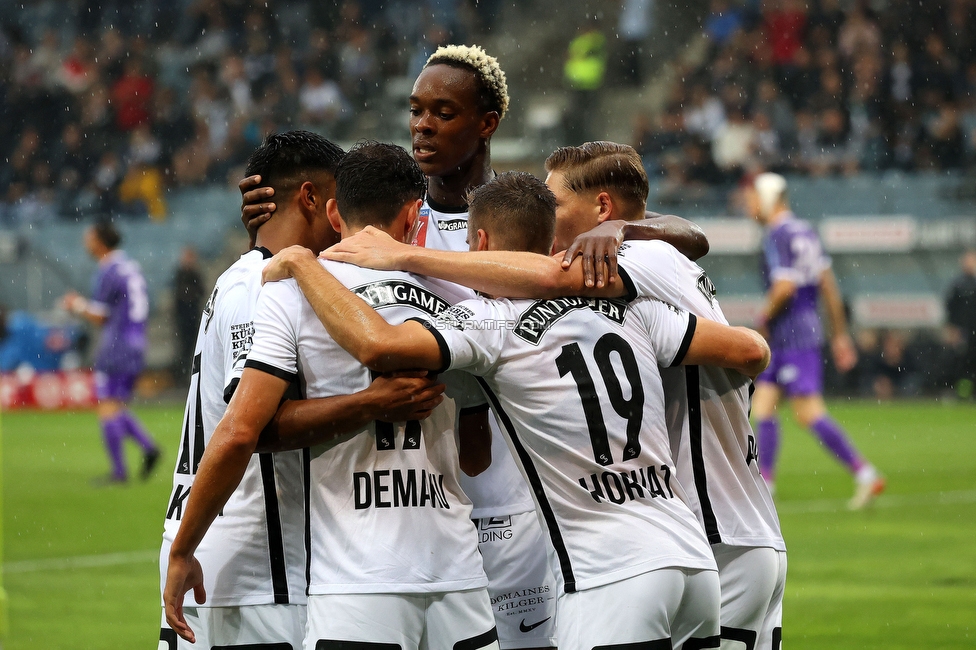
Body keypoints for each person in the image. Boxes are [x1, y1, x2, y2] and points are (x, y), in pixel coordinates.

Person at [239, 45, 707, 650]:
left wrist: (619, 227)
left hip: (523, 497)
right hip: (425, 502)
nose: (423, 125)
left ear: (487, 123)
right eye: (415, 111)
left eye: (443, 112)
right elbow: (304, 261)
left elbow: (685, 236)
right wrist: (266, 225)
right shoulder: (395, 219)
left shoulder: (527, 208)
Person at [265, 171, 772, 650]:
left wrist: (304, 263)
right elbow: (750, 351)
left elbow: (380, 345)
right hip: (693, 565)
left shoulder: (492, 321)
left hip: (608, 576)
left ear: (480, 246)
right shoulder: (631, 307)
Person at [164, 142, 497, 650]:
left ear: (338, 210)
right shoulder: (456, 296)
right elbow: (477, 453)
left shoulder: (278, 282)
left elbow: (241, 431)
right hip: (258, 565)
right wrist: (374, 402)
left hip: (306, 570)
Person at [744, 172, 885, 510]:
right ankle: (766, 485)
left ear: (767, 199)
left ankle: (865, 473)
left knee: (807, 412)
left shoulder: (776, 234)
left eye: (752, 198)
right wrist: (839, 335)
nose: (749, 205)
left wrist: (761, 321)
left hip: (791, 332)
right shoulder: (805, 230)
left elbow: (785, 288)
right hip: (799, 330)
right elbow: (828, 286)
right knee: (763, 404)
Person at [61, 221, 160, 484]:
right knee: (116, 405)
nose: (85, 242)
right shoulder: (131, 267)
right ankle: (149, 448)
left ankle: (119, 472)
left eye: (89, 237)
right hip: (136, 341)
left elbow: (101, 316)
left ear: (100, 242)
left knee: (106, 406)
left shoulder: (109, 270)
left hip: (117, 344)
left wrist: (76, 305)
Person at [945, 249, 976, 398]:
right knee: (962, 362)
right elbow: (951, 308)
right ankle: (960, 392)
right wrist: (953, 329)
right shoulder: (958, 284)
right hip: (964, 331)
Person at [171, 245, 205, 383]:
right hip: (183, 318)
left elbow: (199, 292)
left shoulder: (195, 274)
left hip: (192, 316)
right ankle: (181, 377)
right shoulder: (180, 274)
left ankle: (189, 376)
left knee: (191, 347)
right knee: (183, 348)